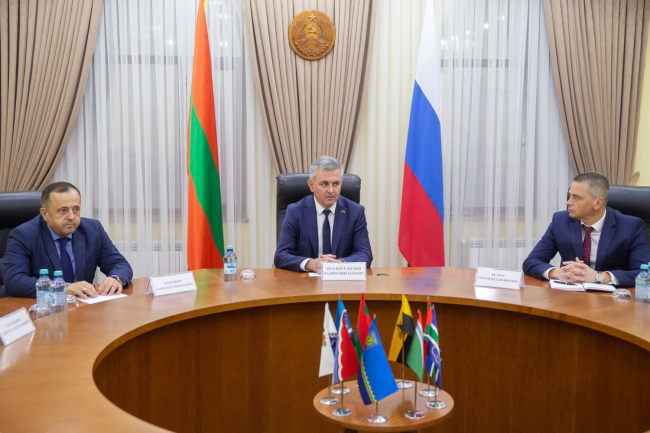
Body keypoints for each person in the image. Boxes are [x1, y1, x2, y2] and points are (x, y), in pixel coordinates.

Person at [4, 182, 133, 298]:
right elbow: (14, 280)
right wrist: (63, 288)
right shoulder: (24, 235)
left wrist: (116, 279)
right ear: (45, 214)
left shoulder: (93, 230)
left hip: (83, 306)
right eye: (63, 210)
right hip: (45, 308)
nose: (71, 216)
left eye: (76, 209)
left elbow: (119, 264)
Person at [522, 172, 650, 287]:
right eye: (570, 195)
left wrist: (599, 277)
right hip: (570, 295)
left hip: (612, 298)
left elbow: (644, 273)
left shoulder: (630, 226)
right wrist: (558, 273)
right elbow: (531, 261)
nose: (568, 202)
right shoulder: (560, 221)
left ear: (598, 203)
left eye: (576, 197)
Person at [274, 156, 373, 273]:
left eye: (335, 184)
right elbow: (281, 255)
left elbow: (365, 254)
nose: (331, 190)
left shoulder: (355, 212)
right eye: (324, 184)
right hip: (305, 280)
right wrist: (310, 264)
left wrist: (340, 264)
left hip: (342, 279)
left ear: (341, 183)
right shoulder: (295, 211)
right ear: (311, 185)